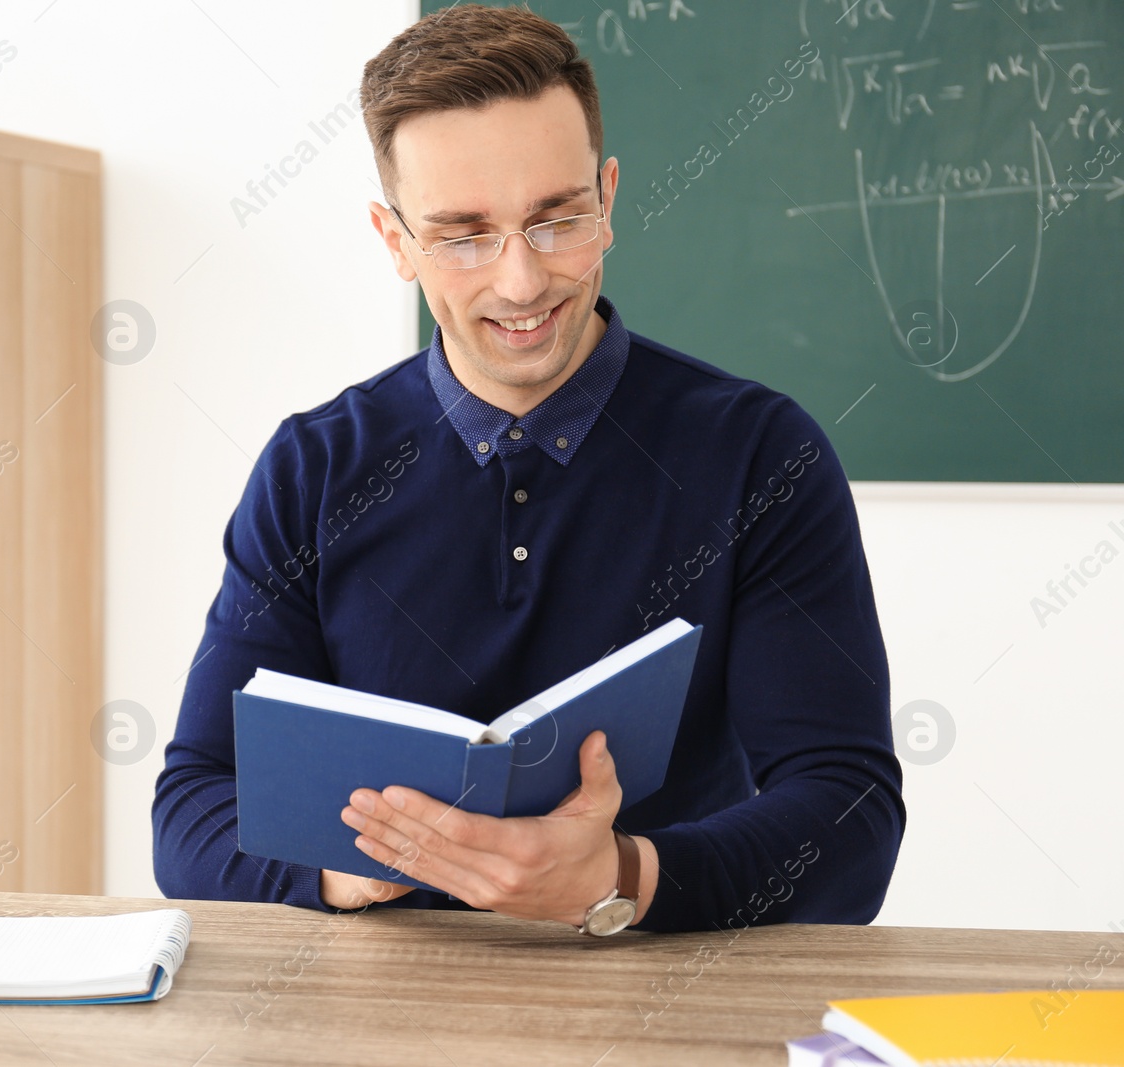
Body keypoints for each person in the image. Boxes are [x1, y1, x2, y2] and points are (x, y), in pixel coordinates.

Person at [152, 4, 903, 934]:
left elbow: (851, 815)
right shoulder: (314, 469)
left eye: (556, 220)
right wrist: (348, 870)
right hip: (388, 1016)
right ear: (397, 243)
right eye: (464, 237)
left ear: (610, 200)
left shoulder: (760, 453)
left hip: (675, 1004)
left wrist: (627, 874)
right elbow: (189, 809)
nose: (520, 281)